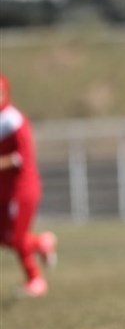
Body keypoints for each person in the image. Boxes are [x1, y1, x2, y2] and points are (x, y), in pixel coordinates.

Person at [0, 73, 58, 297]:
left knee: (15, 237)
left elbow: (21, 158)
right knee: (5, 238)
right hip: (3, 191)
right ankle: (41, 242)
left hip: (21, 190)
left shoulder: (14, 120)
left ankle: (36, 280)